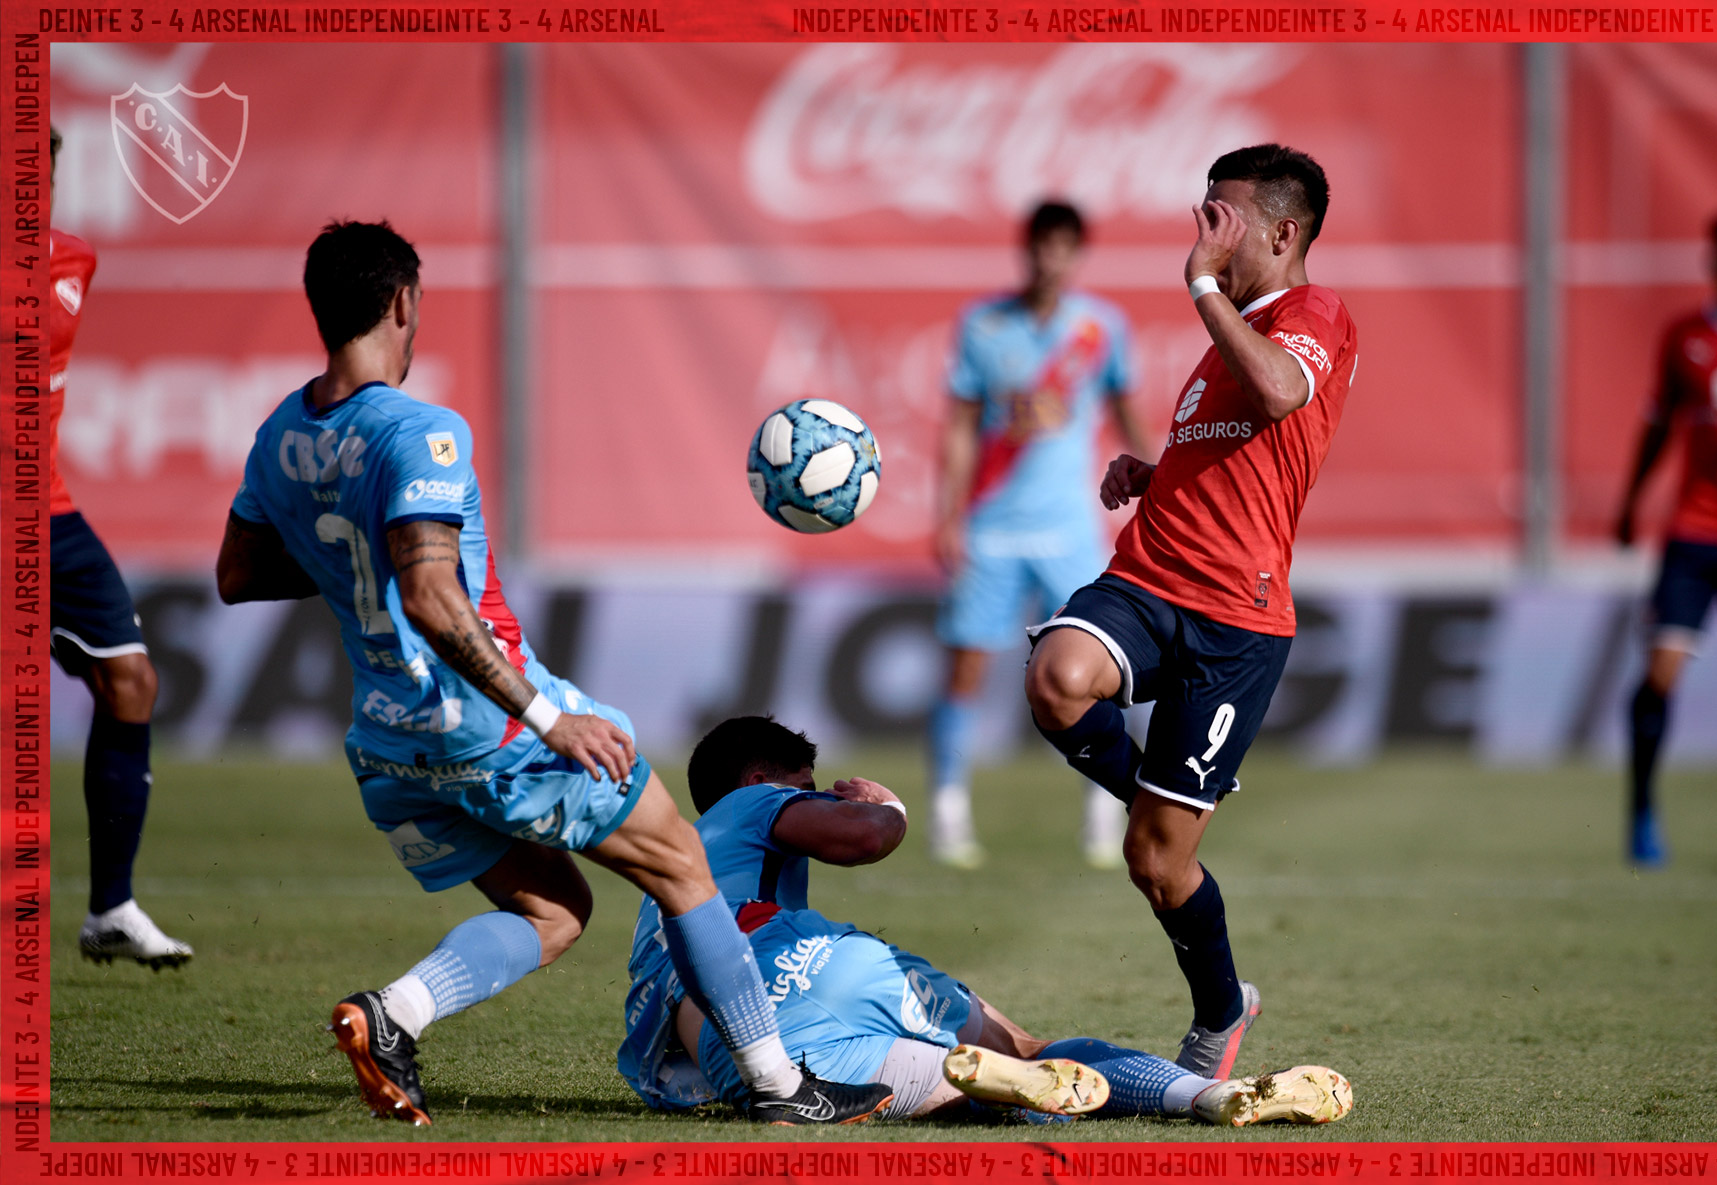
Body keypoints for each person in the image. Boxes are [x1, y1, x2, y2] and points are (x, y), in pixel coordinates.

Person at [214, 220, 891, 1128]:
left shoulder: (279, 436)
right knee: (682, 865)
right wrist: (546, 718)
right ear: (402, 303)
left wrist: (347, 546)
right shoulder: (421, 430)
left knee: (556, 910)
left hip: (386, 741)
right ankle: (780, 1085)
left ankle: (392, 1015)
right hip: (489, 725)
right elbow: (429, 594)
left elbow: (239, 574)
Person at [1022, 145, 1358, 1081]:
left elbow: (1284, 394)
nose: (1203, 231)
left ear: (1284, 234)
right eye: (1201, 212)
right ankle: (1165, 797)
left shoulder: (1312, 314)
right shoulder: (1229, 339)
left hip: (1238, 622)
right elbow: (1234, 450)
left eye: (1224, 215)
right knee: (1055, 678)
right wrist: (1152, 472)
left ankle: (1221, 1005)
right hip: (1148, 579)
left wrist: (1203, 286)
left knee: (1157, 866)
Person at [618, 715, 1352, 1128]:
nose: (813, 799)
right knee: (1031, 1047)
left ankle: (992, 1084)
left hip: (742, 1042)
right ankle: (1207, 1093)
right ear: (757, 781)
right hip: (814, 962)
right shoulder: (745, 804)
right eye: (805, 789)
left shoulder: (664, 878)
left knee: (964, 1092)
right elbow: (862, 838)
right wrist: (886, 808)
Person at [931, 200, 1150, 870]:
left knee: (1101, 671)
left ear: (1076, 254)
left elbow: (1125, 413)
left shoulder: (1099, 326)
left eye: (1062, 246)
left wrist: (1164, 481)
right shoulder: (983, 323)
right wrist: (947, 514)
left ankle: (1104, 810)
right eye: (1040, 245)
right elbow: (963, 425)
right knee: (966, 666)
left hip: (1067, 529)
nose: (1049, 258)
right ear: (1024, 249)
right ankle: (948, 810)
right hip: (993, 525)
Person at [43, 126, 192, 970]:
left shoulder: (74, 261)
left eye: (48, 169)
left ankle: (110, 906)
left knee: (130, 679)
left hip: (51, 516)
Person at [1612, 215, 1717, 867]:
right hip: (1692, 533)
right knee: (1657, 678)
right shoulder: (1684, 337)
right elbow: (1657, 427)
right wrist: (1631, 503)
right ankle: (1642, 812)